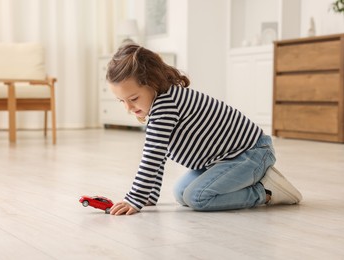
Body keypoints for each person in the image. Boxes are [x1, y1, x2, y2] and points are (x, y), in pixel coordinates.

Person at [106, 44, 302, 216]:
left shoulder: (166, 104)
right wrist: (149, 196)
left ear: (153, 82)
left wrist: (135, 199)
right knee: (181, 194)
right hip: (223, 159)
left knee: (197, 197)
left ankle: (266, 193)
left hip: (252, 153)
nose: (128, 108)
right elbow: (160, 154)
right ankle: (247, 182)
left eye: (133, 99)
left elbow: (151, 157)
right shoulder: (160, 103)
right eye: (122, 101)